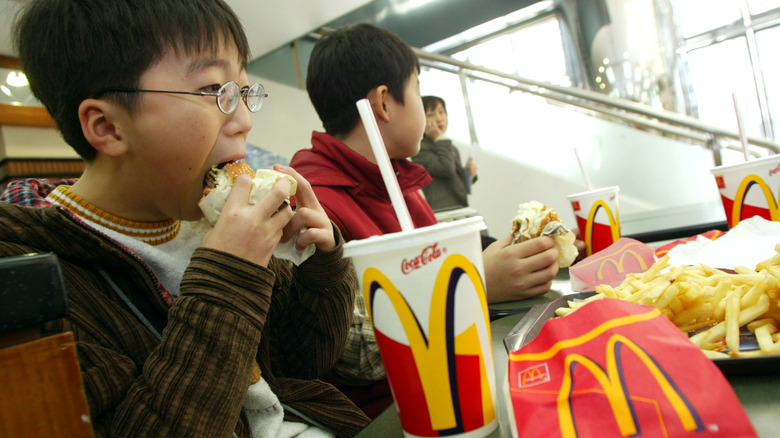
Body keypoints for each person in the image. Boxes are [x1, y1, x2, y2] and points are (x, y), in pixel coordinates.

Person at [1, 1, 369, 436]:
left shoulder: (213, 219)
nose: (244, 122)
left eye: (244, 92)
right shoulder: (30, 282)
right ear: (108, 128)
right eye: (215, 91)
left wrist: (320, 266)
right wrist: (229, 278)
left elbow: (304, 361)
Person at [288, 23, 565, 417]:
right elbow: (351, 353)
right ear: (384, 103)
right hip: (399, 412)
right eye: (417, 88)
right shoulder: (315, 207)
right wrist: (474, 284)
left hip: (463, 378)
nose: (421, 100)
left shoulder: (404, 185)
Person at [412, 95, 477, 212]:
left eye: (441, 112)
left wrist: (468, 174)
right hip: (443, 211)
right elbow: (446, 169)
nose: (439, 118)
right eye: (430, 115)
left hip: (460, 207)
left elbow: (457, 182)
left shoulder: (450, 147)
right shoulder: (419, 148)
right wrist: (440, 139)